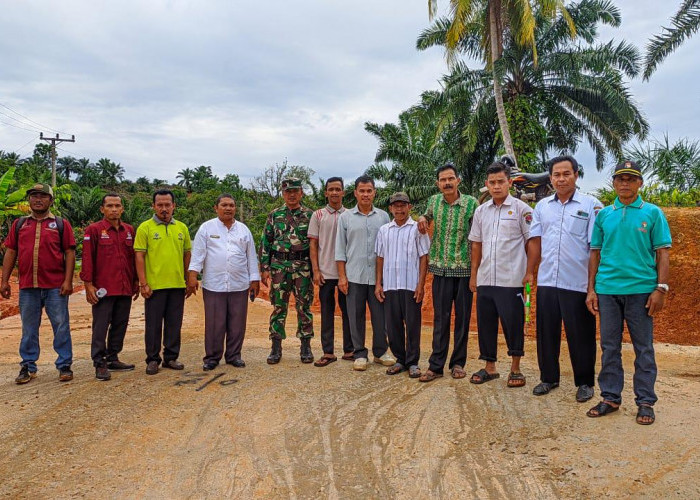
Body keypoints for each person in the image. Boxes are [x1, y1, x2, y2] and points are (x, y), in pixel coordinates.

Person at [585, 161, 671, 426]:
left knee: (643, 347)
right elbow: (595, 253)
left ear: (639, 183)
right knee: (609, 346)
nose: (625, 183)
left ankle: (645, 401)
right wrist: (591, 289)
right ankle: (610, 397)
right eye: (620, 178)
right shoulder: (604, 215)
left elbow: (663, 252)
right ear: (614, 182)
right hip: (608, 290)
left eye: (631, 179)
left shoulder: (652, 213)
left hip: (641, 291)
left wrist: (661, 288)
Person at [526, 156, 603, 402]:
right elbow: (535, 241)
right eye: (556, 175)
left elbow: (595, 248)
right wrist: (530, 271)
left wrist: (592, 286)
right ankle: (548, 378)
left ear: (576, 175)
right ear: (550, 178)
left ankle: (585, 382)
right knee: (546, 332)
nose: (561, 179)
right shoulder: (542, 207)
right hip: (548, 280)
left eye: (566, 174)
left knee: (581, 334)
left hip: (577, 282)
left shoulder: (591, 205)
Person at [1, 183, 76, 384]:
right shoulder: (20, 224)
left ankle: (64, 365)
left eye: (43, 196)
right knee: (29, 328)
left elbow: (70, 252)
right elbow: (11, 252)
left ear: (50, 200)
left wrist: (68, 281)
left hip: (55, 286)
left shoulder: (60, 224)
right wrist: (5, 281)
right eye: (34, 196)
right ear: (29, 200)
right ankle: (28, 365)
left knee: (61, 325)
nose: (38, 199)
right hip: (27, 287)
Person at [468, 161, 534, 388]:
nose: (496, 186)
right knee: (485, 324)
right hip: (486, 278)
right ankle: (490, 367)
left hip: (512, 279)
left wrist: (529, 272)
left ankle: (515, 369)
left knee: (513, 323)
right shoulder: (480, 211)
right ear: (487, 184)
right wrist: (474, 274)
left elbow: (532, 242)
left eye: (501, 182)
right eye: (492, 182)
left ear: (509, 182)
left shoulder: (522, 210)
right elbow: (476, 244)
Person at [417, 163, 479, 382]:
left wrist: (475, 272)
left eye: (450, 178)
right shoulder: (434, 202)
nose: (447, 183)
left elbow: (477, 237)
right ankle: (436, 365)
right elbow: (425, 216)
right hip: (440, 270)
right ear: (438, 183)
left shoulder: (472, 203)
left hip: (463, 270)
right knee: (440, 319)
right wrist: (424, 218)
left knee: (462, 320)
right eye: (443, 180)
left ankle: (458, 363)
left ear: (458, 180)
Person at [187, 194, 260, 371]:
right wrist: (192, 276)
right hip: (214, 284)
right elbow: (198, 255)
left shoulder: (243, 230)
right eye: (224, 205)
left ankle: (234, 355)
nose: (228, 208)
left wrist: (254, 278)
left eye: (232, 205)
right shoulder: (206, 228)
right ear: (216, 208)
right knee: (214, 323)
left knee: (237, 322)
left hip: (239, 284)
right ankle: (212, 357)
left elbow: (251, 256)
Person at [335, 175, 394, 371]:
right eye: (362, 191)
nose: (366, 194)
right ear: (355, 193)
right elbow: (340, 250)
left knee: (380, 316)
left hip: (378, 278)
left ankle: (380, 351)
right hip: (354, 276)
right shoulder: (346, 218)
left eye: (369, 191)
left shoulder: (384, 217)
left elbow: (388, 248)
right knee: (355, 316)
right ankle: (359, 353)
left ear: (374, 192)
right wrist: (342, 277)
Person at [80, 193, 139, 381]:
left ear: (122, 208)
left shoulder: (129, 230)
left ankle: (113, 357)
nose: (114, 209)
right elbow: (88, 258)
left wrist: (136, 281)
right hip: (103, 289)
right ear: (102, 209)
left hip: (124, 287)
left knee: (120, 323)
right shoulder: (94, 230)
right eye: (110, 206)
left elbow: (134, 258)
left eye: (117, 206)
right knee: (101, 326)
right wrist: (88, 284)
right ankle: (99, 362)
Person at [134, 189, 192, 375]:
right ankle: (152, 359)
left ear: (174, 206)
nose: (164, 208)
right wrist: (143, 283)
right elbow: (140, 256)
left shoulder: (182, 228)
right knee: (153, 325)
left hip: (177, 285)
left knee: (174, 323)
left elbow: (187, 254)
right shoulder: (145, 228)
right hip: (154, 287)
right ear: (154, 206)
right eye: (160, 205)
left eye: (168, 205)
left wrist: (189, 278)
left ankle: (171, 357)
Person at [374, 192, 430, 378]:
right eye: (395, 206)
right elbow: (380, 257)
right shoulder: (384, 230)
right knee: (393, 325)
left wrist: (420, 285)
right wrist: (378, 284)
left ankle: (413, 362)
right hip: (390, 285)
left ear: (409, 207)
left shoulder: (417, 229)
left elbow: (424, 257)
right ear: (390, 208)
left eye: (403, 205)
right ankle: (400, 359)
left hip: (410, 285)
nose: (399, 209)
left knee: (413, 324)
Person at [260, 178, 315, 365]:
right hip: (279, 267)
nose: (291, 195)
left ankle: (305, 347)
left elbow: (316, 244)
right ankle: (275, 347)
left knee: (304, 307)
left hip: (303, 267)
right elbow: (266, 242)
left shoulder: (310, 215)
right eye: (287, 191)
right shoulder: (274, 215)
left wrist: (316, 269)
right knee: (278, 307)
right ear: (283, 194)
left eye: (295, 191)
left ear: (301, 192)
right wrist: (265, 268)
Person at [309, 177, 352, 367]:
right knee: (326, 312)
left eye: (338, 189)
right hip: (325, 273)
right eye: (331, 189)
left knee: (348, 311)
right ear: (326, 193)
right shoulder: (318, 215)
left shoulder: (351, 215)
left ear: (343, 192)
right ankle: (328, 352)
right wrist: (316, 271)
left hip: (347, 274)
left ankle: (350, 350)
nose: (334, 192)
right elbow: (313, 244)